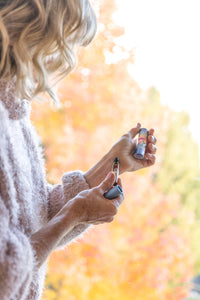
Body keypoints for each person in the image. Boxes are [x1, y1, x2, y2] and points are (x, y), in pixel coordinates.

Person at [0, 1, 157, 299]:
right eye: (64, 43)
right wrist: (75, 214)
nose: (63, 58)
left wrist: (111, 164)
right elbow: (5, 270)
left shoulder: (16, 116)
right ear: (34, 32)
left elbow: (35, 219)